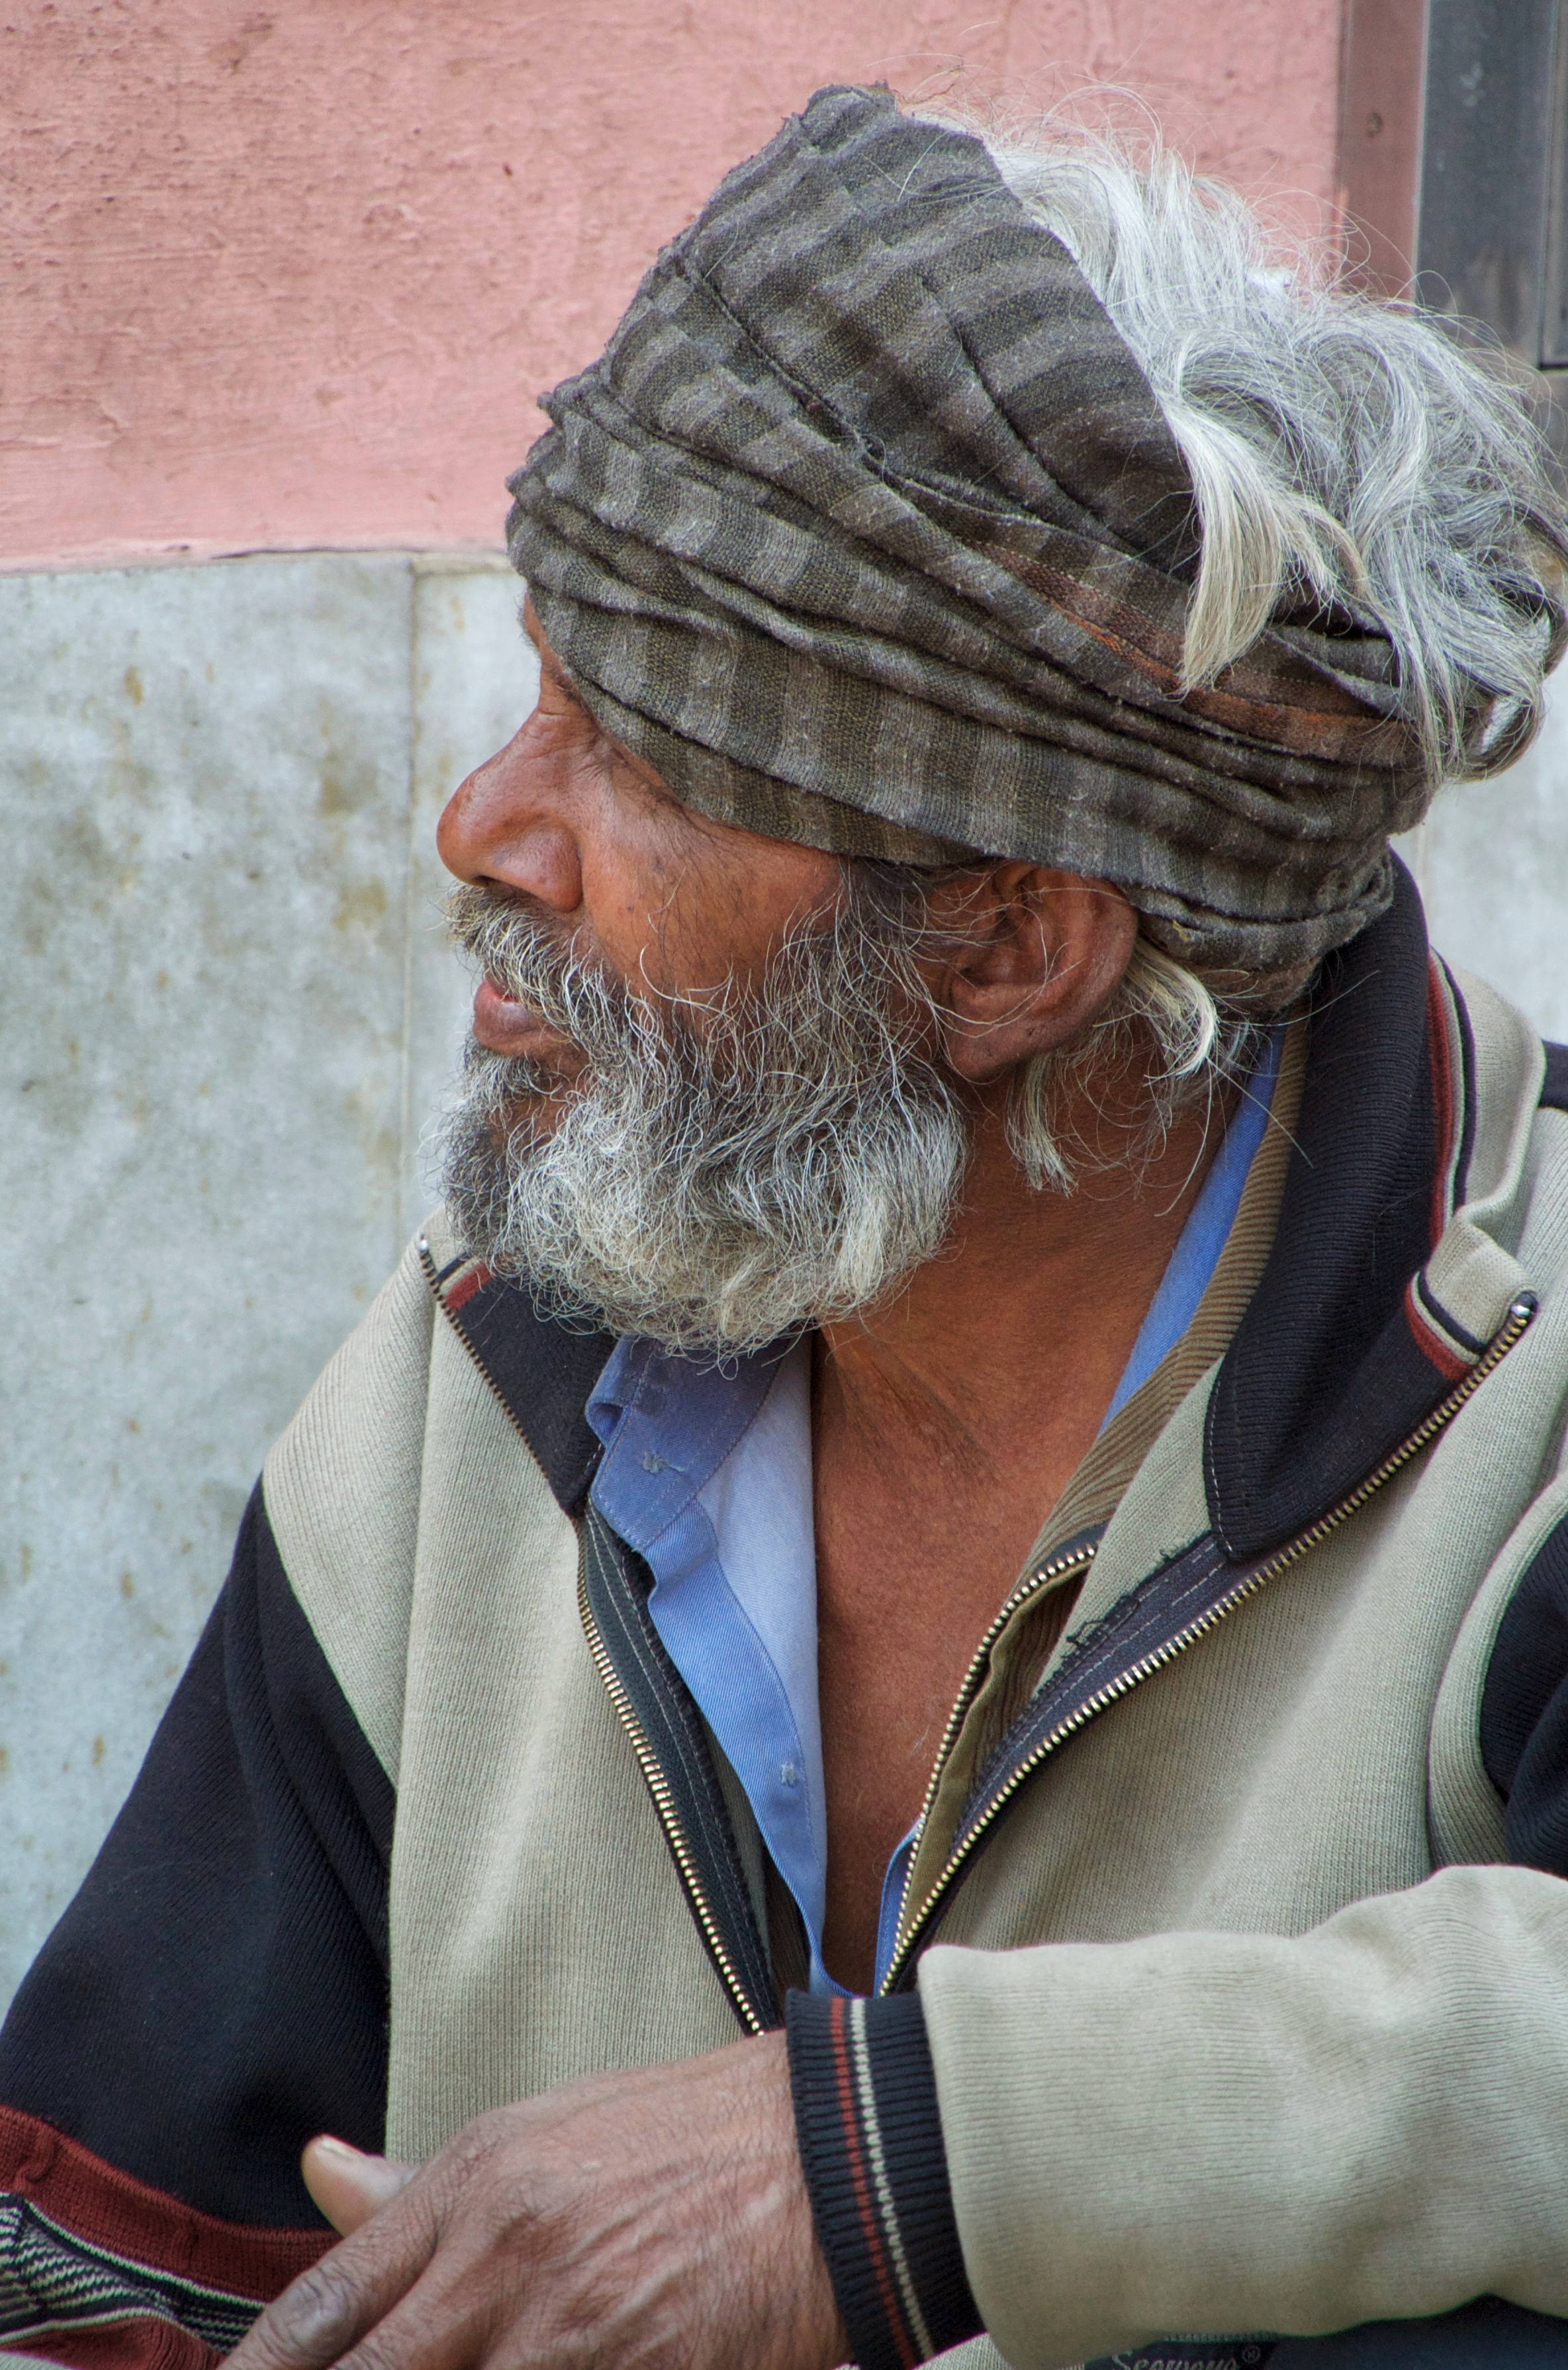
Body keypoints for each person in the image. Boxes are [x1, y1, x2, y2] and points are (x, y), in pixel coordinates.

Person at [4, 81, 1568, 2370]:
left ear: (1005, 949)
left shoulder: (1514, 1380)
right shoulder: (494, 1385)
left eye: (627, 753)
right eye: (534, 688)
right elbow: (112, 2271)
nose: (479, 824)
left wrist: (887, 2172)